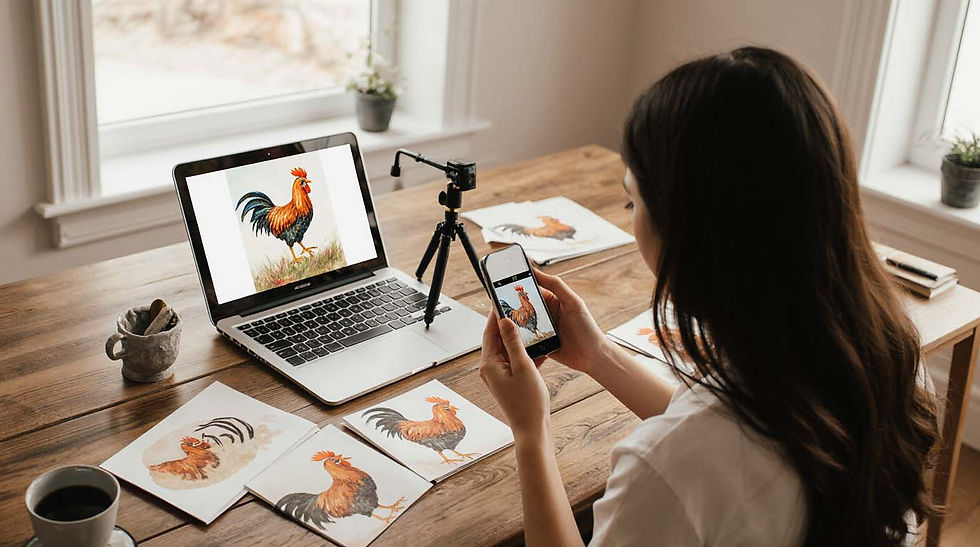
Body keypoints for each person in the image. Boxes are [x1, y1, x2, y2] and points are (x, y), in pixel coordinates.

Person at [479, 47, 939, 546]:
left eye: (634, 199)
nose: (632, 216)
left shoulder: (665, 469)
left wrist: (530, 430)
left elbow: (697, 454)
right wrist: (598, 356)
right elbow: (725, 435)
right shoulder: (889, 357)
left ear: (690, 230)